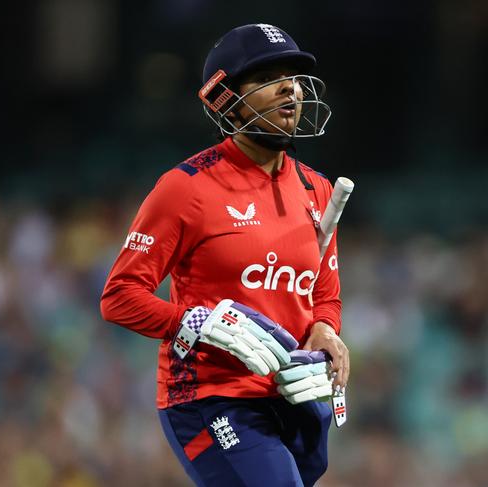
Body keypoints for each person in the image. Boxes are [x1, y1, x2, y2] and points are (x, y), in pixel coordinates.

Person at [100, 23, 349, 486]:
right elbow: (118, 297)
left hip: (294, 396)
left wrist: (327, 333)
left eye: (292, 76)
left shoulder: (318, 190)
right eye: (267, 78)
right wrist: (192, 321)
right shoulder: (186, 188)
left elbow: (324, 298)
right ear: (225, 100)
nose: (289, 89)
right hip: (210, 397)